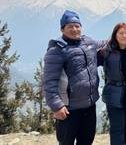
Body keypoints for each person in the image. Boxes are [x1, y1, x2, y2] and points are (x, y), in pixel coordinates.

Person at [43, 10, 105, 145]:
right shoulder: (56, 51)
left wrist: (124, 38)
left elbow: (105, 43)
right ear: (62, 29)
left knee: (86, 141)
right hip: (69, 109)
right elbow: (49, 82)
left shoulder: (88, 41)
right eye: (70, 26)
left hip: (89, 105)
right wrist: (56, 106)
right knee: (66, 142)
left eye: (77, 26)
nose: (74, 29)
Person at [97, 23, 126, 145]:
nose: (124, 36)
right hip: (113, 93)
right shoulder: (105, 52)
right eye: (121, 33)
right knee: (117, 128)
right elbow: (89, 64)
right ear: (115, 35)